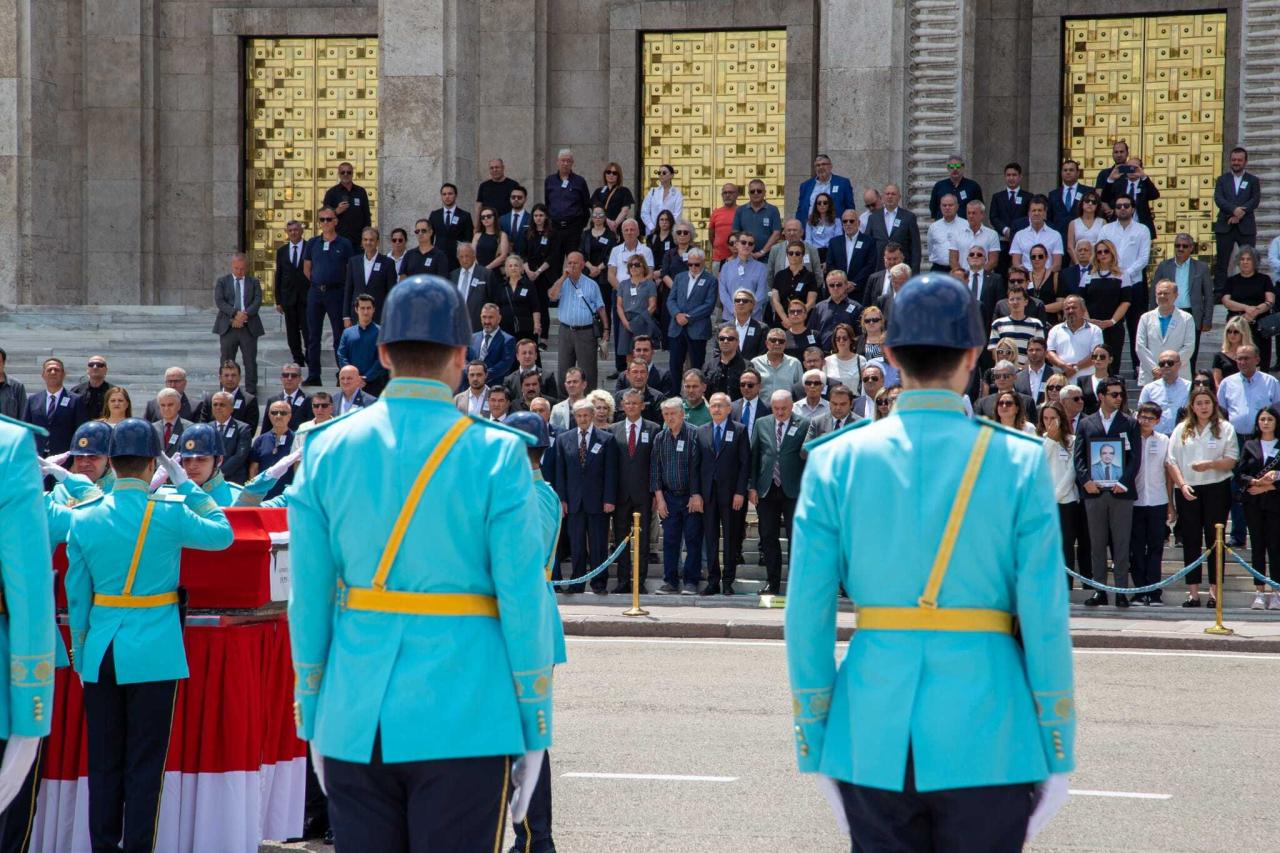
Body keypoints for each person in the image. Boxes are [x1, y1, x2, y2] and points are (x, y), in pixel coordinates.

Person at [786, 272, 1073, 849]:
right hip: (991, 728)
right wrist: (1056, 739)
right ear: (974, 355)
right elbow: (1045, 616)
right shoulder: (1019, 462)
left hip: (871, 727)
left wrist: (815, 735)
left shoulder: (833, 462)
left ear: (888, 355)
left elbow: (807, 616)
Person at [287, 276, 555, 849]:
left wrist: (312, 710)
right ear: (462, 357)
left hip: (357, 712)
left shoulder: (324, 447)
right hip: (467, 713)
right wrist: (534, 719)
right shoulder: (498, 451)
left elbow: (307, 600)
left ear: (381, 353)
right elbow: (522, 598)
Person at [65, 419, 232, 852]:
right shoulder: (169, 513)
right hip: (154, 651)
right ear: (151, 463)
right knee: (145, 763)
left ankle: (103, 846)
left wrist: (82, 653)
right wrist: (191, 488)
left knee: (103, 761)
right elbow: (223, 535)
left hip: (101, 650)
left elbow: (77, 596)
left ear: (112, 463)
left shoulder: (84, 517)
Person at [501, 409, 565, 853]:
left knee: (524, 738)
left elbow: (523, 562)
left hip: (525, 627)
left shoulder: (533, 495)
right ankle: (530, 836)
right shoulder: (527, 492)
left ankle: (535, 838)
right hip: (523, 625)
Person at [1074, 375, 1141, 607]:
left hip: (1120, 492)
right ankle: (1099, 590)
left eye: (1121, 394)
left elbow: (1135, 458)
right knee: (1096, 543)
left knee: (1121, 543)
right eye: (1114, 394)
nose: (1119, 398)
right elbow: (1079, 457)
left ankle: (1121, 591)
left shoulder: (1130, 422)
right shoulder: (1086, 423)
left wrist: (1123, 481)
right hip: (1094, 492)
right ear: (1101, 396)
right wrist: (1086, 481)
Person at [1168, 388, 1239, 607]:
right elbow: (1171, 461)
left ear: (1213, 404)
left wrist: (1209, 465)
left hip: (1216, 488)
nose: (1203, 407)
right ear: (1192, 405)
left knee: (1214, 540)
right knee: (1190, 539)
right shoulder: (1181, 429)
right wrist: (1182, 484)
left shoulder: (1225, 428)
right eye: (1199, 403)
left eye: (1207, 402)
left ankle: (1214, 593)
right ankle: (1193, 593)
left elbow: (1231, 460)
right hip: (1188, 490)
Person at [554, 398, 617, 594]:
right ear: (575, 417)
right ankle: (577, 582)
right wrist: (562, 498)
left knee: (598, 545)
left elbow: (611, 473)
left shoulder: (606, 439)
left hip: (598, 502)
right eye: (579, 415)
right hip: (573, 502)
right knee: (577, 545)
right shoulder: (564, 439)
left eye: (585, 415)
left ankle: (599, 583)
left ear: (592, 416)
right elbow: (560, 473)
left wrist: (609, 499)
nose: (582, 419)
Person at [749, 389, 807, 596]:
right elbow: (754, 455)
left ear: (792, 406)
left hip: (793, 489)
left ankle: (795, 584)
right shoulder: (761, 423)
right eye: (776, 408)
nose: (780, 413)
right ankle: (772, 583)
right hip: (767, 488)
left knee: (795, 538)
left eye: (784, 408)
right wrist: (752, 486)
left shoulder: (804, 424)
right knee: (767, 536)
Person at [650, 397, 703, 596]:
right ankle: (670, 581)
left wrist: (696, 494)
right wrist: (660, 498)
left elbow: (698, 468)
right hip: (669, 498)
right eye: (666, 414)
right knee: (670, 541)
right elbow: (655, 470)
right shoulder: (659, 438)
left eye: (673, 413)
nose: (670, 418)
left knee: (692, 540)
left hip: (691, 497)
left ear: (682, 414)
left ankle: (691, 581)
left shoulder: (694, 435)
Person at [608, 389, 659, 594]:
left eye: (635, 403)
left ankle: (639, 581)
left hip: (644, 495)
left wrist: (656, 493)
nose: (631, 406)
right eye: (627, 403)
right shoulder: (613, 430)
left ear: (642, 406)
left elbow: (656, 464)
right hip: (620, 496)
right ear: (622, 406)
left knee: (643, 540)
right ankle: (622, 581)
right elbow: (611, 467)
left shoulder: (653, 429)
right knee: (620, 540)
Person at [302, 206, 357, 386]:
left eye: (328, 219)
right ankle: (314, 374)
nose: (325, 223)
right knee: (313, 336)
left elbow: (350, 270)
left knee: (339, 336)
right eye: (322, 219)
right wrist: (319, 282)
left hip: (337, 293)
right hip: (316, 293)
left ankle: (342, 374)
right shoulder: (312, 243)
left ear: (335, 221)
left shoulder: (345, 244)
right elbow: (307, 268)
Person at [1098, 195, 1152, 370]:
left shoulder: (1142, 230)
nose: (1122, 208)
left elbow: (1144, 258)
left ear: (1132, 208)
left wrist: (1125, 274)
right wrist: (1115, 274)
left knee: (1136, 326)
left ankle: (1138, 366)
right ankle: (1111, 368)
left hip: (1134, 283)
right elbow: (1101, 253)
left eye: (1126, 206)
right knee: (1114, 328)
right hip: (1111, 285)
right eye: (1119, 205)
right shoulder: (1106, 229)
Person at [1130, 402, 1176, 605]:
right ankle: (1140, 592)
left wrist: (1170, 503)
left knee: (1156, 547)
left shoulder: (1164, 440)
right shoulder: (1130, 439)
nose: (1145, 421)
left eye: (1150, 418)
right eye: (1142, 417)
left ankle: (1154, 591)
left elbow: (1168, 472)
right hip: (1135, 501)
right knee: (1137, 548)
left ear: (1157, 421)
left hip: (1158, 500)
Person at [1236, 406, 1280, 609]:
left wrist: (1270, 485)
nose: (1266, 423)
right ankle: (1259, 592)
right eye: (1262, 419)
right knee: (1257, 547)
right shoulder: (1250, 444)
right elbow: (1240, 474)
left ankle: (1277, 591)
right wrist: (1255, 482)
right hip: (1253, 503)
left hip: (1275, 503)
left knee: (1276, 548)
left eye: (1270, 419)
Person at [1038, 401, 1084, 589]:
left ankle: (1066, 586)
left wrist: (1056, 495)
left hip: (1067, 501)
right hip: (1045, 504)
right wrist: (1050, 438)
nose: (1050, 422)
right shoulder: (1041, 440)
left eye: (1053, 418)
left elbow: (1072, 472)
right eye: (1046, 418)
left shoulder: (1072, 441)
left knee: (1066, 546)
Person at [1152, 233, 1214, 372]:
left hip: (1191, 314)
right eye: (1177, 245)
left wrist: (1207, 319)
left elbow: (1209, 296)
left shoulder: (1201, 267)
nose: (1180, 249)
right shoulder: (1164, 266)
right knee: (1168, 353)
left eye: (1184, 246)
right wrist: (1153, 315)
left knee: (1189, 355)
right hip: (1169, 313)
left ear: (1191, 248)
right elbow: (1154, 293)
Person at [1221, 245, 1275, 370]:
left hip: (1260, 325)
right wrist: (1246, 308)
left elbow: (1270, 300)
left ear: (1255, 262)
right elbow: (1226, 301)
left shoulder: (1264, 279)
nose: (1245, 262)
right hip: (1237, 326)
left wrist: (1254, 312)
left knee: (1261, 359)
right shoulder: (1231, 281)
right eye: (1242, 259)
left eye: (1248, 259)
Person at [666, 247, 717, 376]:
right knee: (675, 364)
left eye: (697, 264)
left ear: (703, 262)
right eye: (690, 264)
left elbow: (709, 305)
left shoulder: (711, 280)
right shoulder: (679, 277)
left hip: (698, 328)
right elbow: (671, 299)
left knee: (697, 365)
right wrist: (677, 314)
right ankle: (675, 393)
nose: (693, 267)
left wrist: (688, 317)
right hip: (677, 327)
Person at [25, 357, 89, 457]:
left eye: (57, 370)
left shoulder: (76, 400)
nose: (53, 372)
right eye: (49, 370)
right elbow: (26, 431)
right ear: (43, 375)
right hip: (37, 459)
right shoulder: (33, 400)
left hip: (65, 459)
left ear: (63, 374)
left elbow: (81, 432)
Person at [1135, 280, 1194, 386]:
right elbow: (1140, 346)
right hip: (1151, 376)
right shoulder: (1145, 318)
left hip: (1179, 376)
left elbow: (1189, 347)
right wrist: (1155, 368)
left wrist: (1169, 366)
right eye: (1159, 293)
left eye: (1166, 293)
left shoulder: (1186, 318)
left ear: (1176, 295)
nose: (1162, 296)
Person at [337, 294, 388, 397]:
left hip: (375, 385)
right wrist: (352, 377)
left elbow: (382, 359)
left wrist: (365, 378)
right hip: (351, 385)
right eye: (362, 308)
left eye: (369, 308)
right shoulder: (347, 333)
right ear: (356, 309)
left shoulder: (382, 332)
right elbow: (341, 356)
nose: (365, 312)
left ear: (373, 309)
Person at [342, 227, 396, 326]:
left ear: (377, 242)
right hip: (357, 315)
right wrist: (346, 316)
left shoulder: (388, 263)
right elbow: (348, 290)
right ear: (362, 242)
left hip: (379, 315)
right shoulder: (353, 262)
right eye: (365, 240)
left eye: (371, 240)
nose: (368, 242)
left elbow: (391, 293)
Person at [275, 219, 311, 366]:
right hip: (288, 298)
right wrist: (278, 300)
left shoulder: (310, 247)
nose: (294, 233)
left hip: (306, 297)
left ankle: (310, 358)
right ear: (287, 233)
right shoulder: (282, 251)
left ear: (301, 231)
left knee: (308, 331)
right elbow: (279, 275)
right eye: (290, 231)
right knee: (292, 332)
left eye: (296, 230)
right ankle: (298, 359)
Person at [545, 150, 592, 263]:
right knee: (554, 262)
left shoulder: (579, 181)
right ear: (557, 162)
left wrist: (579, 225)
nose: (565, 163)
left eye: (568, 161)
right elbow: (547, 203)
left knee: (574, 262)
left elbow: (586, 205)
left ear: (572, 163)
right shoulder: (549, 180)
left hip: (573, 229)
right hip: (555, 229)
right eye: (563, 160)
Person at [615, 255, 660, 371]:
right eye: (631, 265)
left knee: (643, 354)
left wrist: (639, 320)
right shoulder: (623, 284)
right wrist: (625, 323)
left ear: (643, 267)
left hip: (643, 321)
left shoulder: (650, 284)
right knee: (628, 355)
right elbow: (619, 305)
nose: (633, 267)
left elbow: (653, 305)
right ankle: (631, 384)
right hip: (626, 321)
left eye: (637, 265)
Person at [864, 183, 921, 272]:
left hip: (903, 270)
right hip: (879, 269)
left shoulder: (909, 217)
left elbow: (915, 248)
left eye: (893, 194)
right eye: (887, 194)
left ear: (899, 197)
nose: (890, 196)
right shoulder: (873, 218)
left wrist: (914, 272)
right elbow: (867, 244)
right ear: (882, 197)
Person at [1100, 156, 1160, 239]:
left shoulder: (1145, 184)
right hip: (1119, 228)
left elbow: (1155, 195)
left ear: (1141, 169)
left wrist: (1144, 176)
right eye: (1128, 168)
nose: (1131, 170)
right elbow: (1104, 198)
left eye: (1135, 168)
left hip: (1141, 227)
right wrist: (1110, 179)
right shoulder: (1119, 183)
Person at [249, 400, 298, 500]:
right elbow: (253, 468)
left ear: (289, 416)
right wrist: (254, 491)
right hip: (264, 495)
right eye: (274, 412)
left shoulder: (296, 439)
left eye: (283, 413)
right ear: (269, 415)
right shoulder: (260, 440)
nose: (278, 416)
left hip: (287, 496)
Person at [717, 231, 769, 321]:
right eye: (743, 242)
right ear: (736, 245)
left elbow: (761, 294)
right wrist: (734, 311)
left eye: (750, 243)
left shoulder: (761, 268)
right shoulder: (726, 267)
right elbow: (722, 292)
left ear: (753, 247)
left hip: (753, 318)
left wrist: (748, 311)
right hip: (730, 317)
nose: (746, 245)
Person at [204, 390, 254, 484]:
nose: (218, 407)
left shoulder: (243, 428)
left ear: (231, 408)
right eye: (215, 405)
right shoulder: (206, 428)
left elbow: (240, 456)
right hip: (208, 479)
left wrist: (218, 474)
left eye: (222, 405)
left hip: (233, 480)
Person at [1138, 351, 1191, 436]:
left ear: (1179, 364)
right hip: (1156, 438)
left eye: (1170, 363)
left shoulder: (1189, 387)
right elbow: (1142, 414)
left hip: (1181, 436)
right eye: (1162, 364)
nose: (1166, 366)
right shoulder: (1149, 388)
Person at [490, 254, 542, 341]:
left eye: (516, 265)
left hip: (525, 327)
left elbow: (535, 307)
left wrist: (536, 324)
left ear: (521, 268)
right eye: (510, 266)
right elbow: (496, 308)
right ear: (506, 270)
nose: (513, 268)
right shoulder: (502, 287)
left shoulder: (529, 285)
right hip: (505, 327)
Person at [196, 359, 259, 431]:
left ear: (239, 378)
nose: (230, 379)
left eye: (233, 375)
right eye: (226, 375)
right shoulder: (210, 399)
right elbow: (203, 425)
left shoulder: (249, 400)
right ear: (220, 378)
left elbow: (250, 430)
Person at [989, 163, 1031, 270]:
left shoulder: (1028, 197)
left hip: (1021, 240)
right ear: (1004, 177)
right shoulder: (997, 197)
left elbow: (1029, 217)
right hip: (1002, 240)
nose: (1011, 178)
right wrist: (1005, 230)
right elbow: (993, 217)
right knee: (1001, 271)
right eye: (1008, 175)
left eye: (1014, 175)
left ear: (1020, 176)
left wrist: (1016, 232)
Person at [825, 208, 876, 295]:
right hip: (838, 290)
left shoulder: (869, 241)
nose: (848, 224)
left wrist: (854, 283)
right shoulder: (834, 242)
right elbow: (830, 264)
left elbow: (870, 265)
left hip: (860, 290)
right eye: (845, 221)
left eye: (851, 221)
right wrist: (842, 283)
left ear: (858, 223)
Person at [1010, 196, 1064, 273]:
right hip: (1026, 279)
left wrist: (1043, 276)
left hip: (1048, 277)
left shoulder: (1055, 235)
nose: (1036, 213)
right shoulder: (1019, 235)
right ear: (1029, 213)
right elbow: (1016, 263)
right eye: (1034, 210)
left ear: (1045, 213)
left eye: (1040, 210)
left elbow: (1057, 265)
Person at [466, 304, 517, 386]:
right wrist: (471, 373)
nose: (487, 321)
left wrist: (482, 375)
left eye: (490, 317)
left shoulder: (508, 340)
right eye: (484, 317)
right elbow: (464, 359)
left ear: (499, 318)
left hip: (495, 388)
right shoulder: (472, 338)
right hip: (471, 386)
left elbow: (505, 364)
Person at [732, 179, 783, 261]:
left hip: (767, 258)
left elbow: (776, 233)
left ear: (764, 193)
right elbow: (735, 233)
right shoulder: (740, 210)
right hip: (745, 257)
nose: (756, 193)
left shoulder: (773, 210)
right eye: (752, 191)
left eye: (759, 191)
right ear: (748, 193)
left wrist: (762, 252)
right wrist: (746, 251)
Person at [322, 162, 371, 246]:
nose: (346, 174)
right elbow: (324, 217)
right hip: (338, 239)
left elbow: (366, 215)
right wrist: (336, 211)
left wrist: (366, 238)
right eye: (343, 172)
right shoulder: (332, 193)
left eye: (349, 172)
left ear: (352, 174)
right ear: (339, 174)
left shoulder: (361, 191)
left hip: (357, 240)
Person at [580, 207, 618, 311]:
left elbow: (612, 254)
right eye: (595, 215)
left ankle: (605, 327)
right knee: (588, 304)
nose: (598, 217)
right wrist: (591, 267)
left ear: (605, 217)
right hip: (588, 273)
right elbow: (581, 252)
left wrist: (598, 268)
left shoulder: (610, 235)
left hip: (604, 275)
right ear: (591, 218)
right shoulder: (585, 234)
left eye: (600, 215)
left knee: (604, 304)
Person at [428, 182, 475, 268]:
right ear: (441, 196)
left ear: (455, 195)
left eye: (450, 194)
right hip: (438, 258)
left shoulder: (465, 215)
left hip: (457, 259)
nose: (447, 196)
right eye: (444, 194)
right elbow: (429, 238)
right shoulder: (434, 215)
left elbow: (469, 239)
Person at [797, 153, 856, 221]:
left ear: (830, 166)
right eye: (817, 165)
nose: (821, 167)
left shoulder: (843, 183)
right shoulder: (805, 186)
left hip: (835, 229)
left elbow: (850, 209)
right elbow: (800, 210)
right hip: (810, 228)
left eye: (824, 164)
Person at [948, 199, 1000, 273]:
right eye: (968, 213)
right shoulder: (956, 234)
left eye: (974, 213)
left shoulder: (992, 234)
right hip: (963, 278)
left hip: (984, 278)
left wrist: (978, 276)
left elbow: (993, 261)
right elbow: (953, 259)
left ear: (982, 215)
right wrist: (962, 275)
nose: (970, 216)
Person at [751, 330, 803, 402]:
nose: (777, 343)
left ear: (785, 344)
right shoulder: (755, 363)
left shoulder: (795, 363)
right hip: (761, 410)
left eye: (781, 341)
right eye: (773, 340)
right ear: (766, 343)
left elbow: (800, 391)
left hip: (786, 409)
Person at [1048, 159, 1093, 242]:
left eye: (1071, 170)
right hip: (1059, 239)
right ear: (1061, 173)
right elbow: (1049, 218)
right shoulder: (1053, 194)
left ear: (1078, 173)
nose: (1068, 172)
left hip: (1082, 239)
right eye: (1065, 170)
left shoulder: (1088, 192)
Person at [261, 363, 313, 433]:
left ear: (300, 379)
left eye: (293, 376)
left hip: (300, 440)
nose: (289, 378)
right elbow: (266, 428)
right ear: (281, 379)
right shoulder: (273, 400)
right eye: (285, 375)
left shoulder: (308, 399)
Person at [452, 242, 493, 332]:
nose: (464, 260)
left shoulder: (485, 274)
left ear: (474, 256)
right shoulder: (453, 275)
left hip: (478, 326)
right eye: (461, 257)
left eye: (467, 256)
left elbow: (493, 301)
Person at [928, 155, 983, 221]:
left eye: (958, 166)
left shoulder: (973, 186)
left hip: (966, 227)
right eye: (951, 167)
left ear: (963, 167)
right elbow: (933, 207)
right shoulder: (939, 186)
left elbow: (979, 207)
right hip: (944, 225)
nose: (955, 169)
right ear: (948, 168)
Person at [926, 194, 967, 273]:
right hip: (938, 269)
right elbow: (930, 248)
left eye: (950, 205)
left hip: (960, 269)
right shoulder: (934, 227)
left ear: (957, 206)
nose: (947, 208)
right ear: (940, 207)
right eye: (944, 205)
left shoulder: (966, 225)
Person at [591, 162, 635, 235]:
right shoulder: (598, 191)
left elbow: (625, 211)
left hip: (618, 227)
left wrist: (615, 224)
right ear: (605, 174)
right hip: (601, 226)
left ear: (618, 175)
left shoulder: (624, 191)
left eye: (614, 173)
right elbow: (595, 209)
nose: (611, 175)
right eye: (608, 172)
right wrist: (607, 221)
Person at [70, 356, 114, 426]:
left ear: (106, 370)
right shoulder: (76, 391)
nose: (95, 367)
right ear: (87, 369)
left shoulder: (114, 392)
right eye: (91, 365)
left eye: (99, 365)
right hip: (81, 433)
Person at [639, 164, 683, 235]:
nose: (661, 175)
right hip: (652, 232)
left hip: (669, 233)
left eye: (664, 173)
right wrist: (652, 227)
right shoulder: (652, 192)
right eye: (659, 173)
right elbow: (644, 212)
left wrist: (667, 228)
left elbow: (677, 214)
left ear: (672, 175)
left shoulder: (677, 194)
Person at [1213, 316, 1254, 387]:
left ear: (1243, 333)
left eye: (1236, 332)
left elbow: (1256, 377)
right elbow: (1217, 382)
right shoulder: (1219, 356)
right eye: (1229, 331)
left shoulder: (1252, 354)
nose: (1232, 335)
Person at [804, 193, 840, 260]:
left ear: (829, 205)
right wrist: (812, 255)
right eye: (819, 203)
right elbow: (808, 240)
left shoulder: (837, 221)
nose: (822, 205)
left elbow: (837, 240)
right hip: (815, 252)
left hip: (831, 252)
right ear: (816, 205)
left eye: (825, 203)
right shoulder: (810, 221)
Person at [500, 185, 530, 256]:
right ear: (510, 199)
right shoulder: (502, 219)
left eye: (519, 197)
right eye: (513, 197)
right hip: (506, 261)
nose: (516, 199)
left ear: (525, 199)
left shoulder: (531, 219)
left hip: (526, 259)